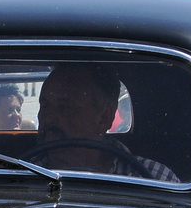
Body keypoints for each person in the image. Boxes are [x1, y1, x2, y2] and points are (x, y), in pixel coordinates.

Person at [31, 63, 179, 182]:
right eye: (45, 106)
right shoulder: (23, 173)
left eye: (66, 107)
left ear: (104, 118)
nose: (48, 118)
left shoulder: (153, 177)